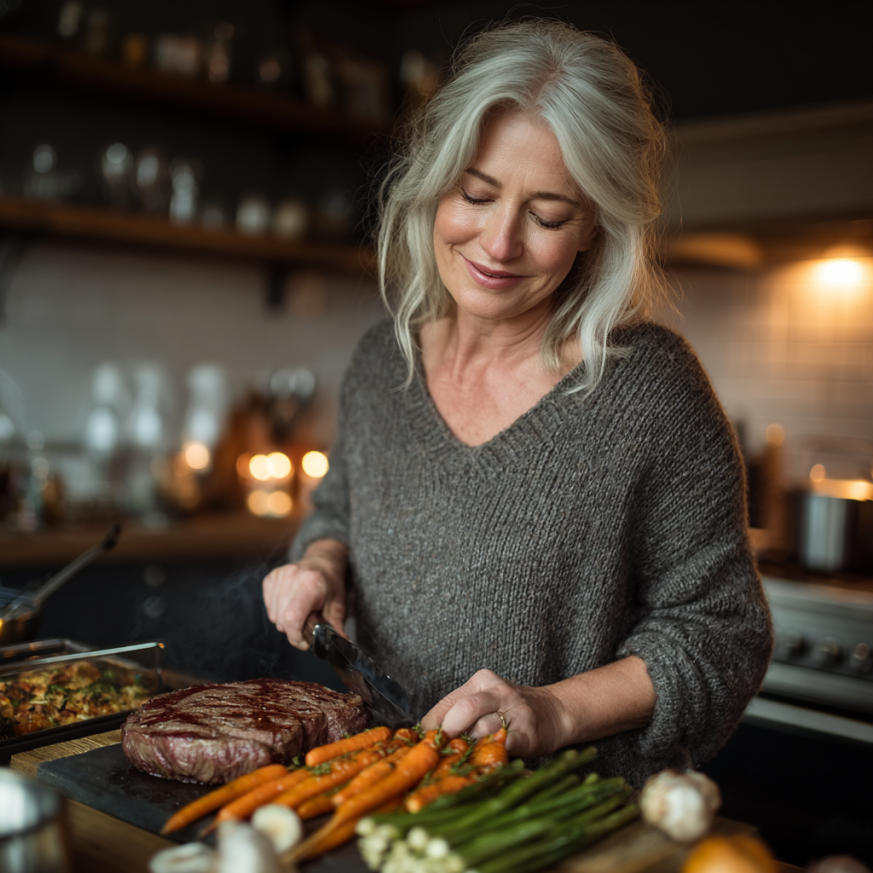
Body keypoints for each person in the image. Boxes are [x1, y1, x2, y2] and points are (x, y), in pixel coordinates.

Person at [263, 18, 773, 786]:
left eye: (546, 215)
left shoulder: (650, 394)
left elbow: (721, 634)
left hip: (559, 827)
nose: (498, 243)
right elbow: (338, 510)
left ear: (594, 230)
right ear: (432, 184)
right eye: (475, 194)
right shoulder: (382, 362)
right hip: (383, 799)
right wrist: (320, 564)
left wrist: (551, 712)